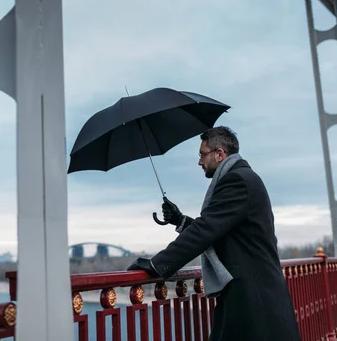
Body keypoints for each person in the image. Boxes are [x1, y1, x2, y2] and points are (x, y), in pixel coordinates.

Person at [127, 126, 300, 340]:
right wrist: (179, 220)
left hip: (253, 297)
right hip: (251, 293)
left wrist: (157, 265)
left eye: (202, 154)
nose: (200, 161)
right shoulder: (243, 177)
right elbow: (219, 229)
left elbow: (206, 230)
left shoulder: (237, 181)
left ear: (219, 154)